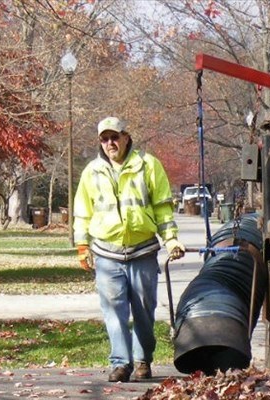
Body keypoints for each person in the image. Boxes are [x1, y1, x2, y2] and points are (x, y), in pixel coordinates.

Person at [73, 116, 186, 383]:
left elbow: (163, 207)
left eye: (115, 137)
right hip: (107, 253)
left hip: (142, 251)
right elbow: (82, 213)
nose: (110, 143)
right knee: (114, 311)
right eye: (104, 139)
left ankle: (142, 361)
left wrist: (171, 239)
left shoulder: (148, 165)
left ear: (126, 137)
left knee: (144, 310)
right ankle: (121, 363)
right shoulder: (91, 172)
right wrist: (82, 246)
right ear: (100, 142)